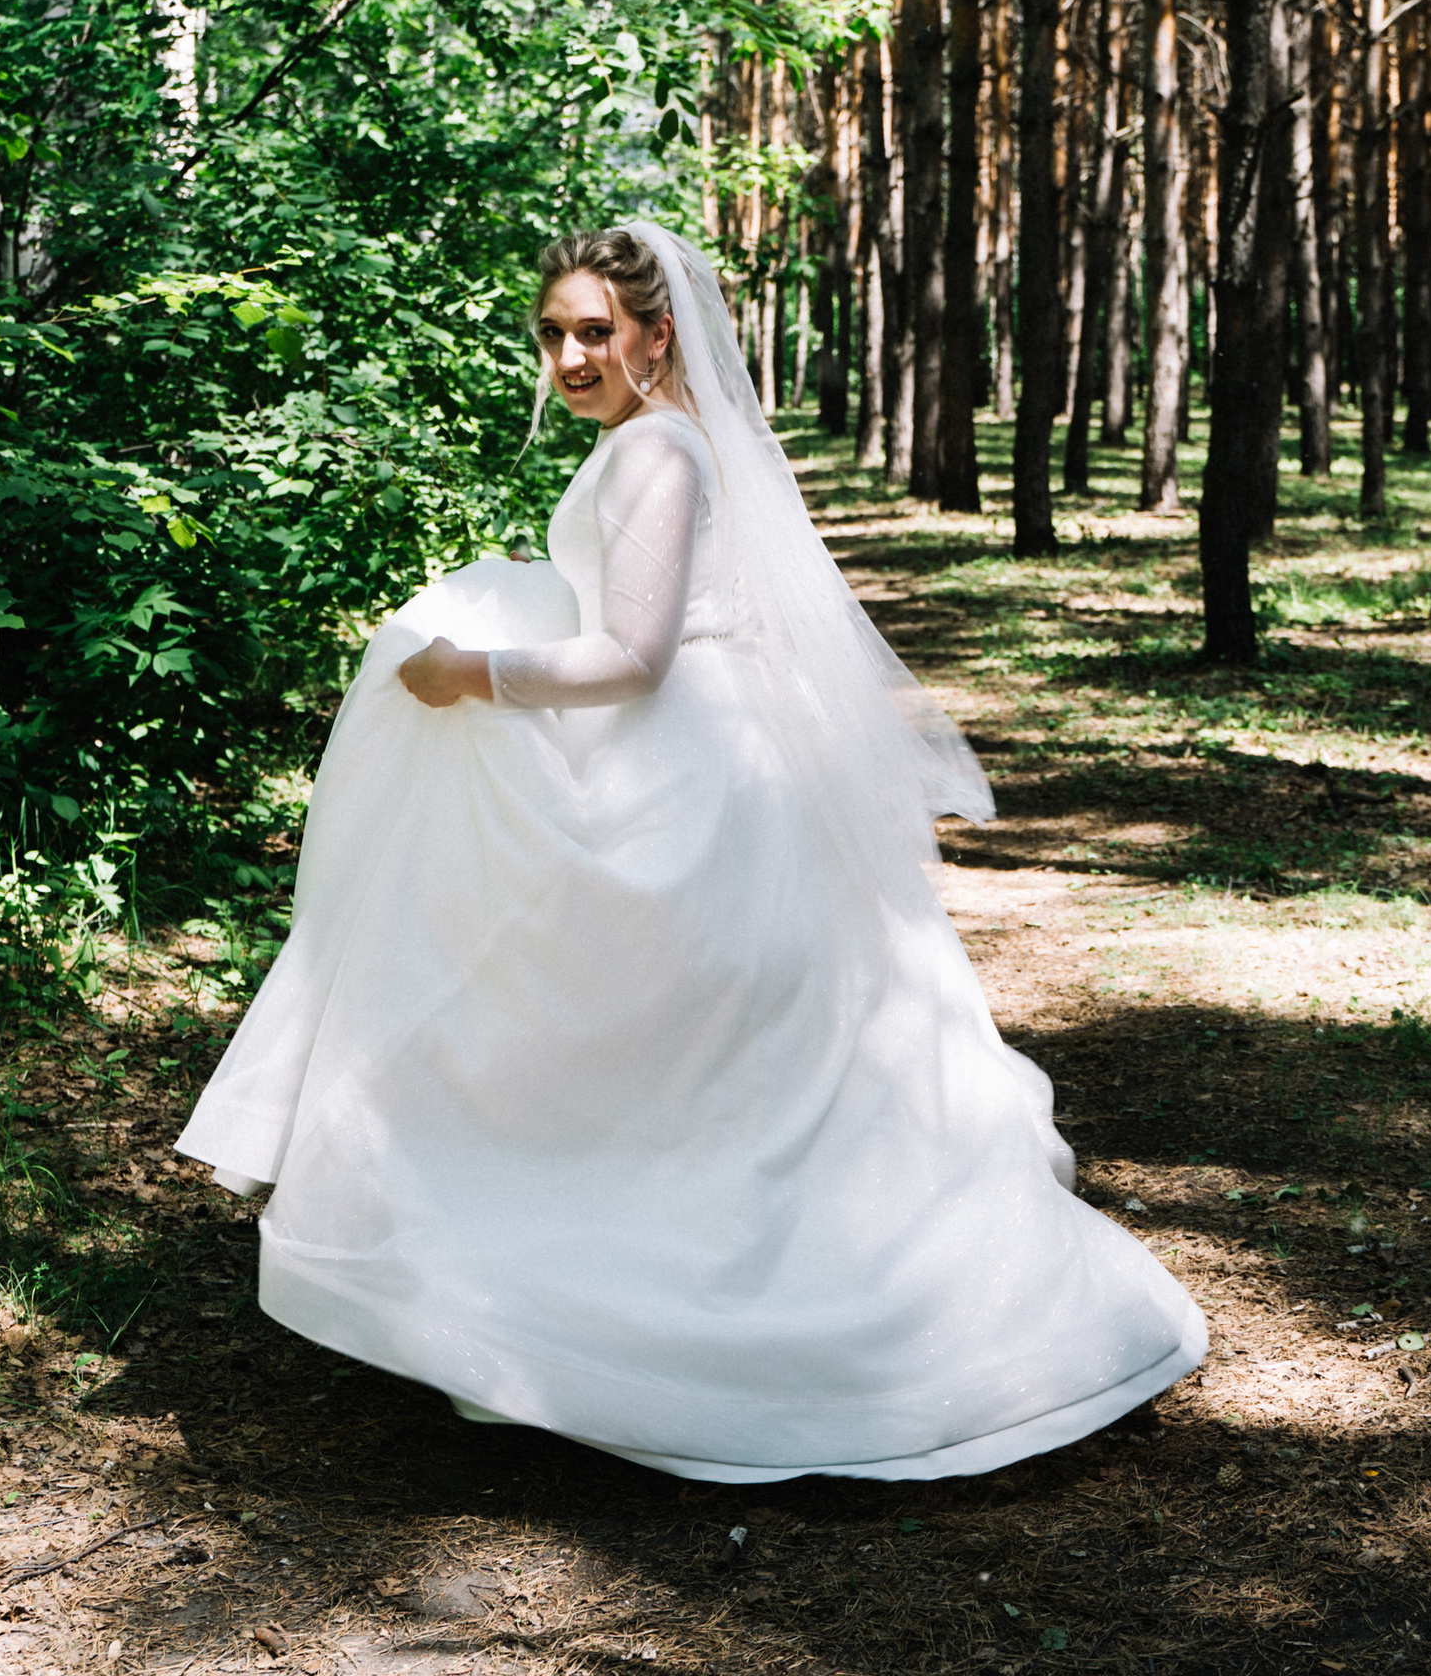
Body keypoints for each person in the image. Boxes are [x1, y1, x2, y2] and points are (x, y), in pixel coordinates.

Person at [175, 221, 1206, 1483]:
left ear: (656, 336)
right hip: (701, 751)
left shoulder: (655, 452)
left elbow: (635, 657)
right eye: (552, 334)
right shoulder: (656, 440)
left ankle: (650, 1305)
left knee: (655, 1032)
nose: (570, 357)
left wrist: (466, 672)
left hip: (689, 769)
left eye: (594, 332)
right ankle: (577, 1288)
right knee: (708, 1049)